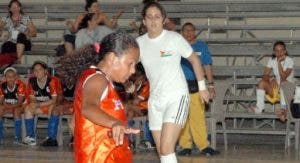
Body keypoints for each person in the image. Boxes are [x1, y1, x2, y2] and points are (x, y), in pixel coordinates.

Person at [136, 2, 210, 163]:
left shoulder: (174, 38)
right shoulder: (139, 43)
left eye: (157, 16)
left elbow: (195, 60)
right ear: (143, 21)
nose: (153, 20)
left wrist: (202, 87)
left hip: (177, 97)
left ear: (163, 19)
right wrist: (129, 83)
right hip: (155, 101)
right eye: (149, 17)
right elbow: (129, 66)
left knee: (166, 148)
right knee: (163, 152)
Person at [56, 32, 140, 163]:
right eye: (130, 64)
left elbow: (74, 123)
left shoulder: (96, 78)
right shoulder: (97, 79)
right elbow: (88, 108)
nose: (133, 70)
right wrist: (114, 123)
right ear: (112, 58)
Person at [177, 22, 219, 156]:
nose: (188, 33)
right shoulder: (177, 46)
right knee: (182, 117)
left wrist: (211, 85)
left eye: (191, 30)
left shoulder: (201, 46)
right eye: (186, 31)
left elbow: (207, 65)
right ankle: (185, 146)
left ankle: (203, 145)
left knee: (198, 117)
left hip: (197, 86)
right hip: (179, 86)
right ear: (182, 33)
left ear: (195, 31)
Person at [251, 41, 294, 122]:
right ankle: (259, 108)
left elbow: (284, 77)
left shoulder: (289, 60)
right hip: (277, 89)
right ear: (274, 52)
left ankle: (283, 110)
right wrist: (271, 79)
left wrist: (278, 63)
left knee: (283, 83)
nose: (279, 53)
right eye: (277, 51)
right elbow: (264, 75)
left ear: (285, 51)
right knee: (261, 83)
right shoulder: (272, 60)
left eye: (281, 50)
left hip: (288, 90)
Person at [24, 61, 61, 146]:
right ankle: (31, 138)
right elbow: (32, 99)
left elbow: (54, 100)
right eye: (35, 70)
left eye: (40, 69)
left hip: (55, 105)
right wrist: (34, 104)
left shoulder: (52, 81)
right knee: (28, 109)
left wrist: (38, 105)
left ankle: (51, 138)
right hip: (43, 105)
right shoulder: (32, 81)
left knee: (53, 110)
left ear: (45, 71)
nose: (37, 72)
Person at [0, 67, 26, 144]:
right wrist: (6, 107)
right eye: (8, 77)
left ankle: (17, 137)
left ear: (16, 77)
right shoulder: (1, 86)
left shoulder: (21, 85)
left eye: (13, 77)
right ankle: (0, 136)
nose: (11, 79)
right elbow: (1, 102)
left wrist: (7, 107)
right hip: (9, 106)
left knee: (16, 111)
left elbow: (19, 103)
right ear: (5, 78)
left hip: (21, 106)